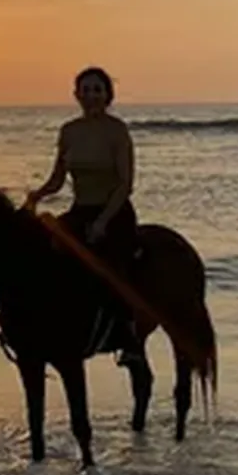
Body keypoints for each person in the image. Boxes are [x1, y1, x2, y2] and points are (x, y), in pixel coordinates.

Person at [25, 65, 141, 358]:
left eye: (97, 90)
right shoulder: (69, 131)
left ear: (107, 95)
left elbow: (125, 183)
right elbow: (57, 179)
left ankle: (129, 335)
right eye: (85, 90)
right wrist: (36, 196)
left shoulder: (117, 130)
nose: (91, 96)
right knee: (45, 253)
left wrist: (103, 221)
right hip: (81, 210)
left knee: (110, 265)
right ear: (76, 94)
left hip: (114, 212)